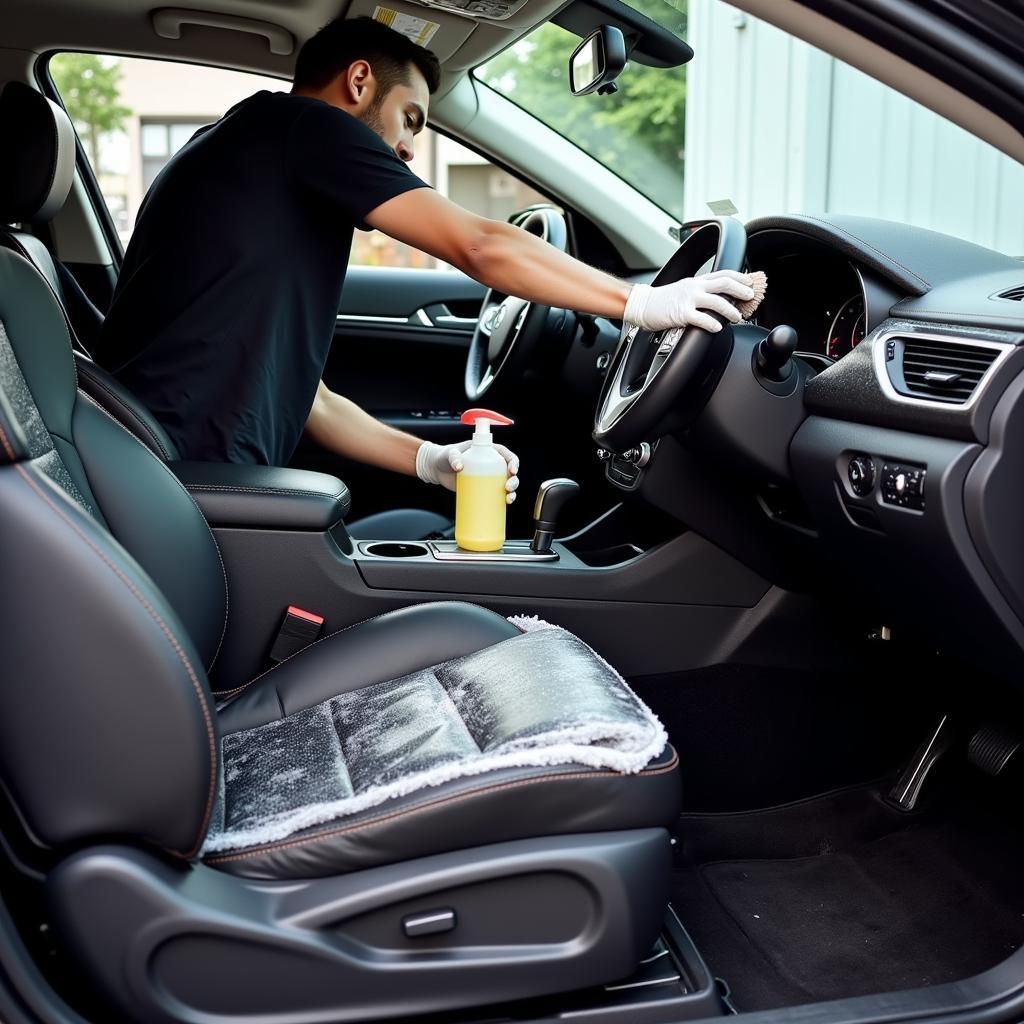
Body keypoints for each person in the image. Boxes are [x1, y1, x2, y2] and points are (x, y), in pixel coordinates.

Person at [94, 15, 754, 508]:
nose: (410, 148)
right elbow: (481, 246)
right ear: (358, 82)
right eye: (411, 118)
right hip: (191, 487)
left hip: (172, 477)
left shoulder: (254, 157)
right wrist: (643, 302)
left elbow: (311, 402)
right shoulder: (304, 128)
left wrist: (433, 460)